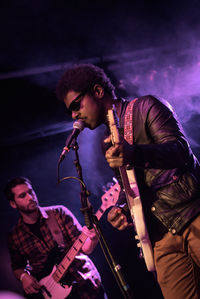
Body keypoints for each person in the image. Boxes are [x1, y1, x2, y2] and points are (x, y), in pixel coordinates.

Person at [56, 63, 200, 299]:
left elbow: (180, 151)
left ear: (98, 92)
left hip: (190, 214)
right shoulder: (108, 139)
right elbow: (128, 187)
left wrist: (135, 153)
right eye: (70, 110)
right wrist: (121, 208)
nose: (74, 115)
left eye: (76, 105)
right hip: (160, 236)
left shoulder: (146, 106)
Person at [4, 177, 107, 299]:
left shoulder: (58, 213)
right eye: (22, 196)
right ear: (13, 204)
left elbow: (85, 248)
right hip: (51, 293)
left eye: (30, 192)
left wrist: (93, 238)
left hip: (85, 285)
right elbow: (17, 267)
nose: (30, 197)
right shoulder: (14, 236)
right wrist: (23, 277)